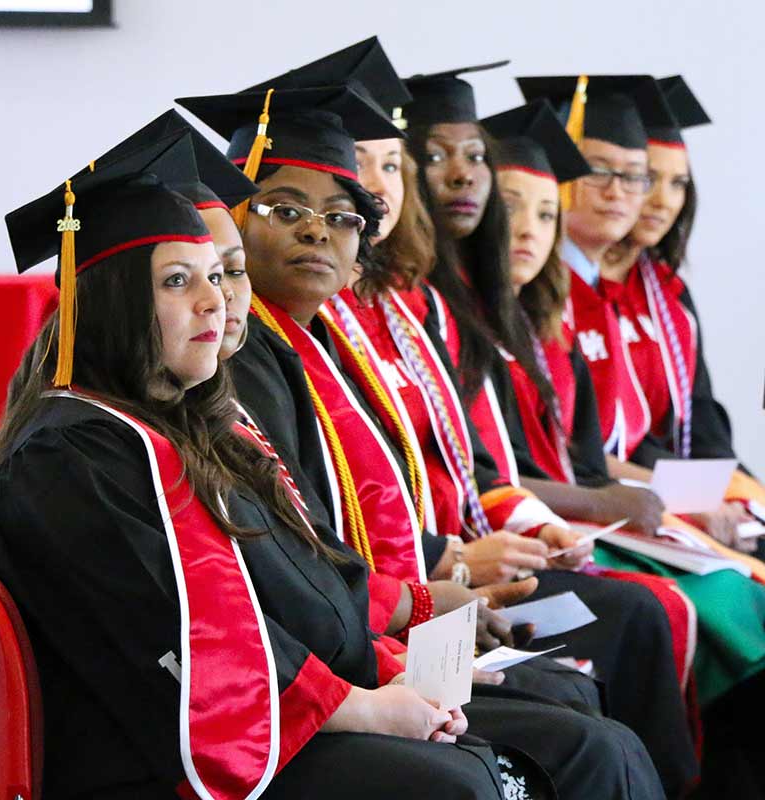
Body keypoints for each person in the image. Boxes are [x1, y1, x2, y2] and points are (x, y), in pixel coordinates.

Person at [0, 135, 515, 800]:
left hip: (242, 728)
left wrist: (380, 676)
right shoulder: (70, 458)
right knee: (454, 783)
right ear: (111, 303)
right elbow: (180, 639)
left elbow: (261, 609)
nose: (214, 302)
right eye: (177, 280)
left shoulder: (170, 430)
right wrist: (359, 705)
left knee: (485, 753)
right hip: (155, 765)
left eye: (218, 277)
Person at [177, 70, 668, 800]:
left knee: (578, 699)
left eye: (342, 216)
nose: (317, 229)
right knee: (586, 732)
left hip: (378, 618)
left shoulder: (334, 345)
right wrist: (440, 593)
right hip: (330, 656)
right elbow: (295, 562)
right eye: (285, 209)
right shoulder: (236, 363)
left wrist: (439, 597)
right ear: (235, 231)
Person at [396, 66, 699, 796]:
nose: (528, 230)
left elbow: (487, 469)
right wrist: (458, 560)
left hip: (473, 562)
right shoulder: (415, 314)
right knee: (638, 625)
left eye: (542, 215)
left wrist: (540, 529)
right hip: (424, 586)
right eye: (434, 159)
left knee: (659, 616)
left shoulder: (492, 316)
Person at [599, 75, 765, 550]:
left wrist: (730, 493)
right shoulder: (571, 297)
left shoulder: (667, 293)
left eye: (678, 184)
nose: (663, 200)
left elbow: (700, 414)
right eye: (647, 178)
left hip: (675, 476)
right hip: (617, 488)